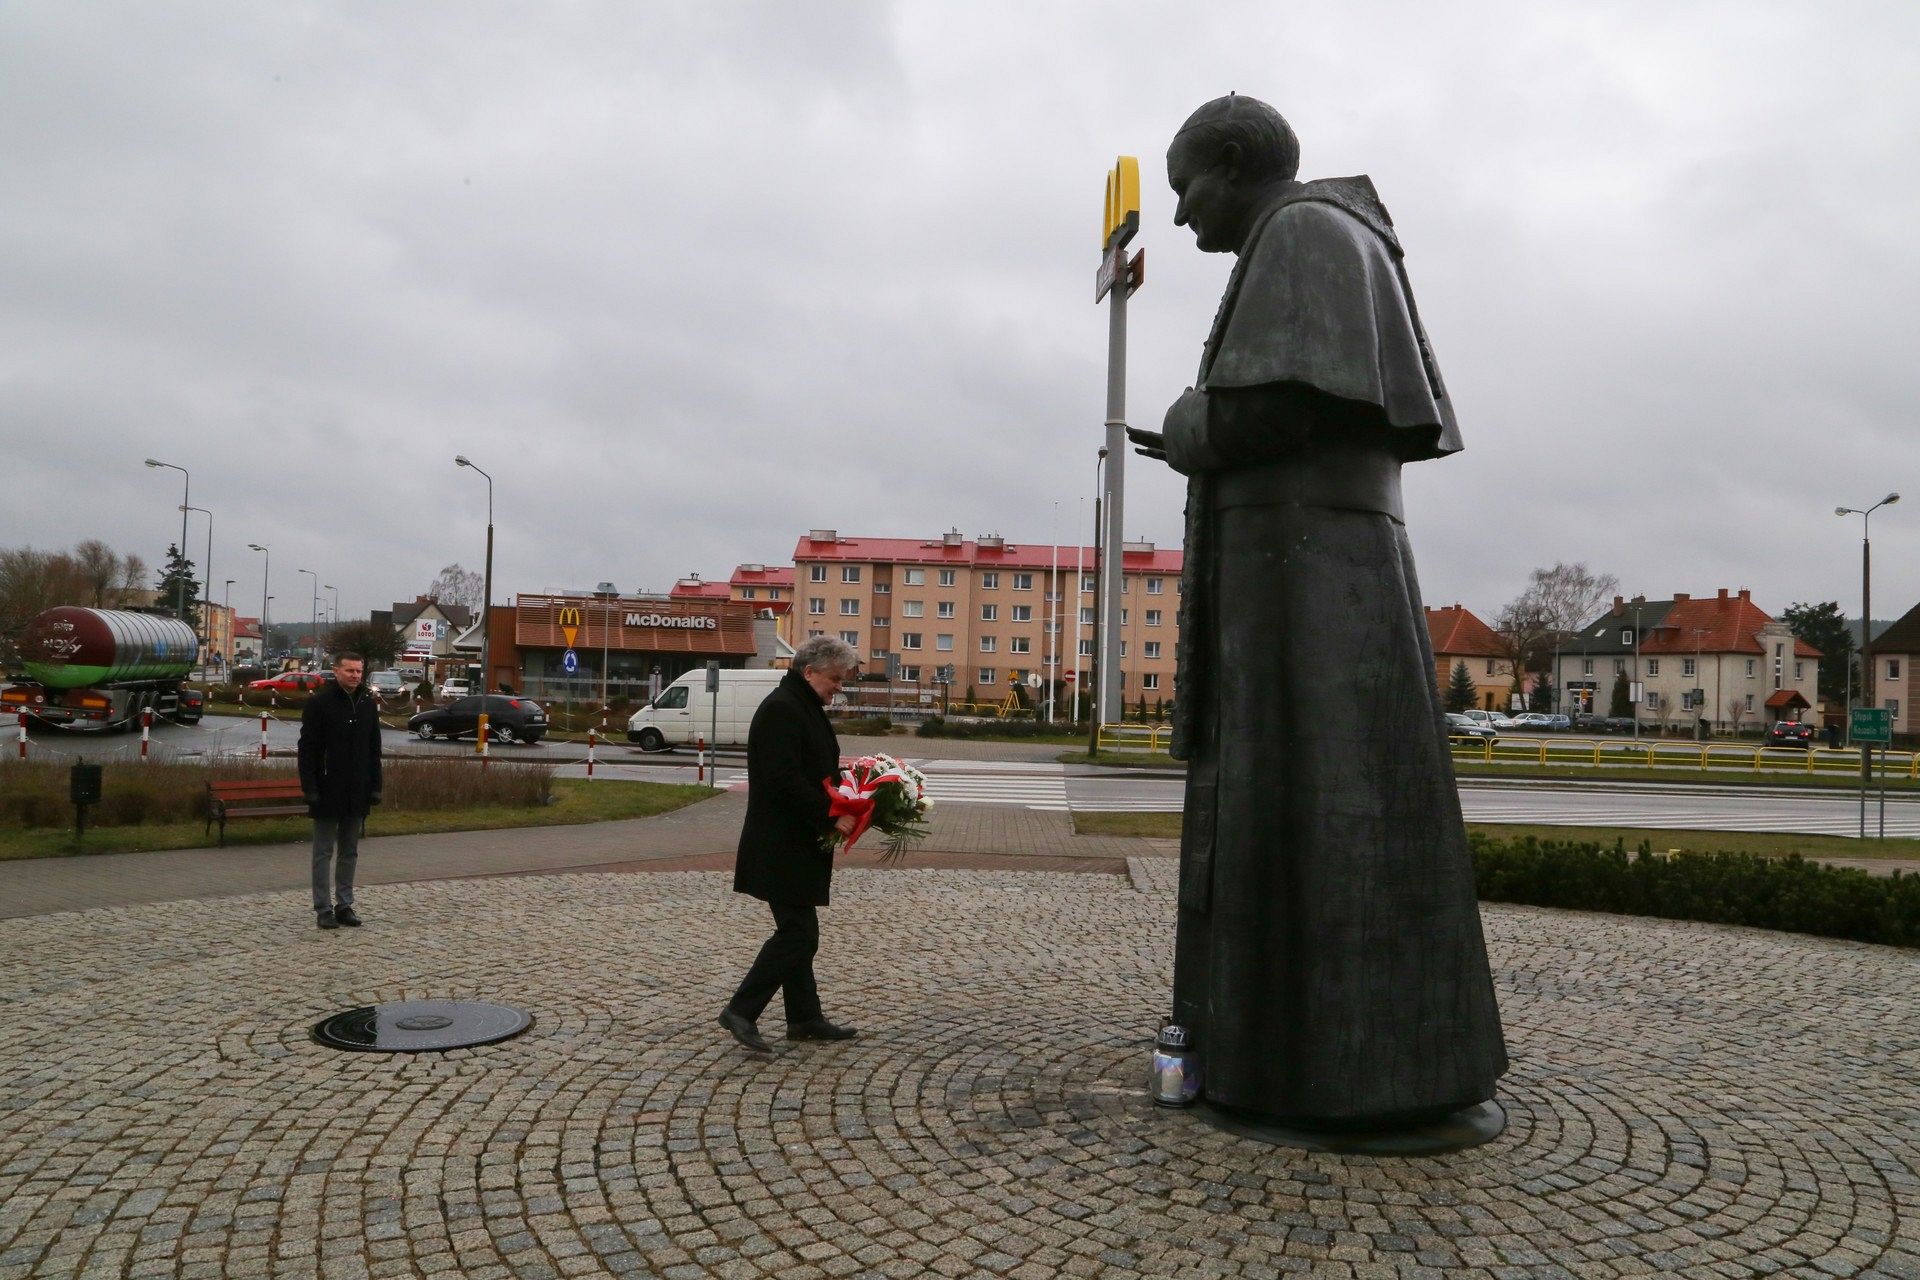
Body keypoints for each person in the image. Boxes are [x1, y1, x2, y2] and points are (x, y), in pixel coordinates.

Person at [1127, 94, 1507, 1130]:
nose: (1179, 216)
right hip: (1301, 567)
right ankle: (1277, 1053)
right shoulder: (1319, 235)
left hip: (1308, 584)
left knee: (1321, 810)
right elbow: (1296, 405)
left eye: (1184, 186)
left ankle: (1332, 1070)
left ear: (1238, 161)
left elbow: (1281, 404)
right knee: (1306, 816)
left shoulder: (1304, 231)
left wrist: (1187, 421)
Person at [718, 637, 861, 1052]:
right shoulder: (783, 709)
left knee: (799, 930)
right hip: (779, 842)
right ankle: (741, 1010)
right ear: (809, 671)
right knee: (798, 934)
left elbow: (814, 768)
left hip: (796, 840)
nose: (839, 687)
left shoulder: (802, 706)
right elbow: (784, 781)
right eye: (835, 678)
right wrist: (833, 814)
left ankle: (804, 1018)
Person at [298, 650, 382, 930]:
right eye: (350, 671)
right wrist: (309, 786)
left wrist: (376, 785)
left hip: (357, 789)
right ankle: (323, 908)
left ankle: (344, 904)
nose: (355, 676)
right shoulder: (320, 703)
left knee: (350, 850)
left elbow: (374, 750)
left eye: (359, 671)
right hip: (326, 787)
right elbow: (307, 749)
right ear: (336, 671)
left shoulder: (368, 704)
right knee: (323, 851)